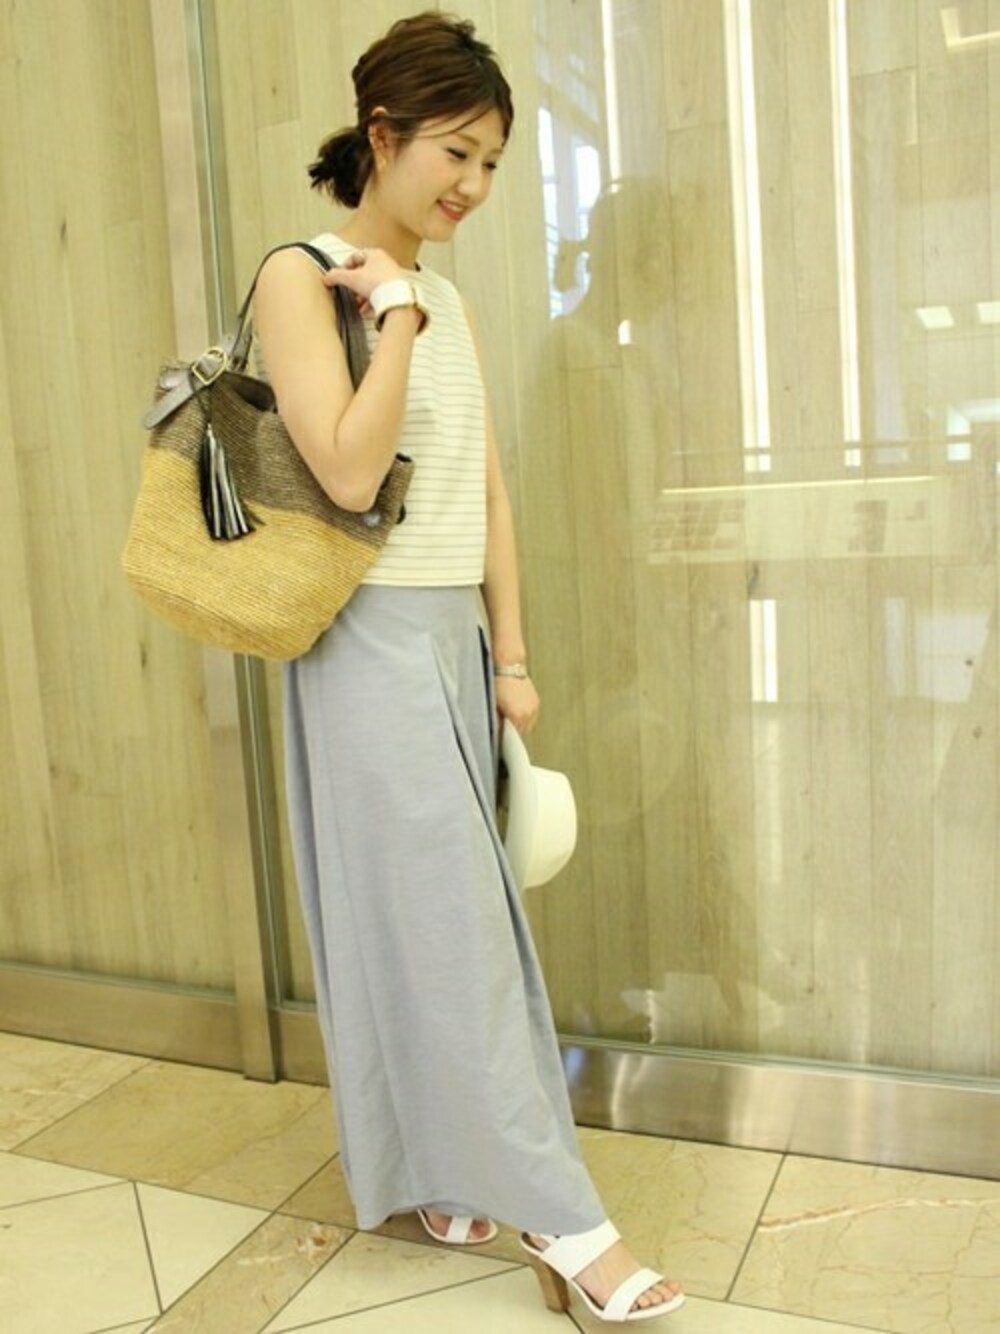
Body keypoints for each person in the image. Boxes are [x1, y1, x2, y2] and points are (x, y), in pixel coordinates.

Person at [251, 10, 684, 1323]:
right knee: (450, 932)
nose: (475, 185)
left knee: (445, 917)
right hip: (363, 639)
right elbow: (345, 470)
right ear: (382, 135)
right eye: (457, 152)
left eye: (492, 162)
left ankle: (440, 1170)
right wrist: (389, 318)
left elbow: (486, 489)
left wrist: (512, 654)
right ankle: (565, 1220)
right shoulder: (301, 277)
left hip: (452, 640)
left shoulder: (448, 298)